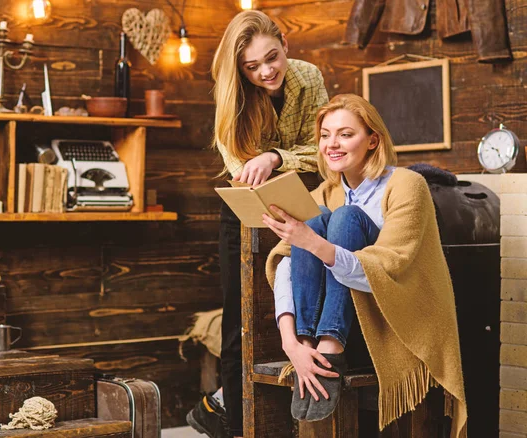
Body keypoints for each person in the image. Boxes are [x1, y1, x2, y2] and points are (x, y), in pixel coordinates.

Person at [263, 94, 467, 437]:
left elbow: (389, 267)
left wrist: (312, 242)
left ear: (373, 140)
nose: (332, 144)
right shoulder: (323, 192)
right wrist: (291, 344)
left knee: (344, 219)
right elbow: (286, 264)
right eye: (325, 135)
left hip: (391, 321)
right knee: (317, 220)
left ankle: (330, 348)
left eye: (345, 134)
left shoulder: (406, 184)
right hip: (323, 331)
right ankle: (313, 346)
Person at [185, 10, 328, 438]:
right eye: (253, 66)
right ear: (239, 69)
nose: (267, 71)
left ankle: (238, 410)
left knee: (298, 306)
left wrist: (275, 157)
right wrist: (264, 163)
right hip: (245, 209)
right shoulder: (232, 97)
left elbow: (323, 148)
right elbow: (239, 168)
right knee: (240, 317)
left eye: (272, 57)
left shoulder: (308, 77)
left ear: (285, 44)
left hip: (304, 203)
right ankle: (235, 422)